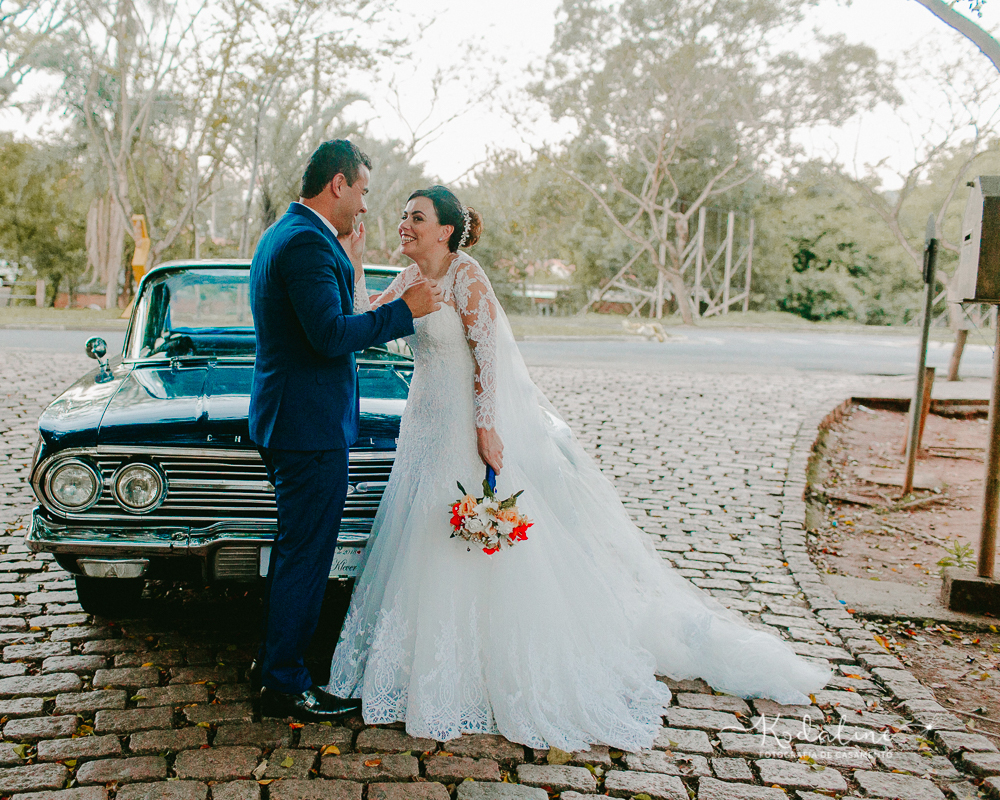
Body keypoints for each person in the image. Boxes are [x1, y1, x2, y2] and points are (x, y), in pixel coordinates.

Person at [326, 185, 831, 752]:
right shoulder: (411, 281)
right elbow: (366, 317)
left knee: (465, 537)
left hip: (463, 428)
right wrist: (356, 263)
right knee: (420, 531)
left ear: (445, 230)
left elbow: (488, 353)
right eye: (403, 217)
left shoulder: (466, 275)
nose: (404, 225)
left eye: (416, 218)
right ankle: (415, 669)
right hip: (422, 424)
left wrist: (488, 428)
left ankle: (485, 670)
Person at [248, 140, 438, 721]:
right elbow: (330, 335)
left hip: (292, 418)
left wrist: (351, 263)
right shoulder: (305, 243)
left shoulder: (289, 234)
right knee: (306, 556)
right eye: (360, 191)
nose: (362, 206)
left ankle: (272, 662)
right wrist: (407, 309)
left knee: (295, 551)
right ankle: (283, 683)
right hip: (307, 428)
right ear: (337, 183)